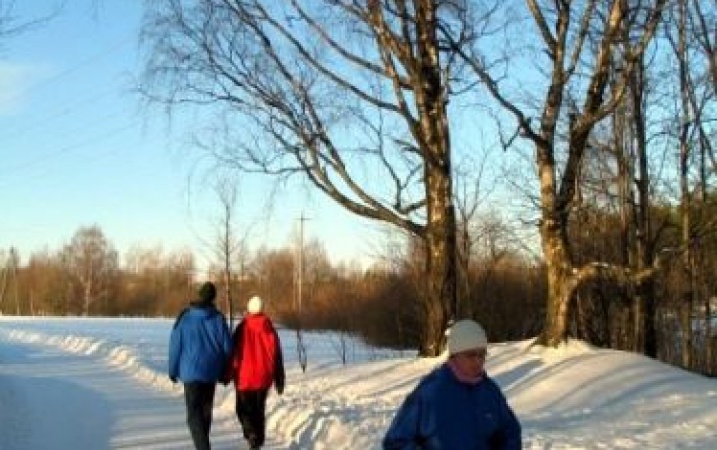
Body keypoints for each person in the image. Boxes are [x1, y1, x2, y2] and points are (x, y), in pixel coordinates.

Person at [383, 319, 521, 450]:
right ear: (455, 355)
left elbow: (510, 432)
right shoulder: (430, 392)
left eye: (482, 355)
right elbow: (396, 442)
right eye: (471, 355)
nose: (478, 361)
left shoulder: (490, 391)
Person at [168, 281, 233, 450]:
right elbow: (228, 348)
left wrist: (173, 369)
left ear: (199, 295)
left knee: (193, 415)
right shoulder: (218, 319)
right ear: (213, 297)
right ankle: (203, 444)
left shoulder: (185, 318)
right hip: (210, 372)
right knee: (205, 413)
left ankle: (203, 446)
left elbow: (175, 345)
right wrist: (225, 371)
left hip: (190, 373)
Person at [227, 295, 285, 450]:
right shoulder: (269, 328)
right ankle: (257, 441)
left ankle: (252, 434)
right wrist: (279, 377)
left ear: (249, 309)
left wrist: (229, 372)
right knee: (259, 410)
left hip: (244, 377)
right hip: (263, 377)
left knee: (242, 410)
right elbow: (277, 354)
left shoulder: (241, 328)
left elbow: (233, 353)